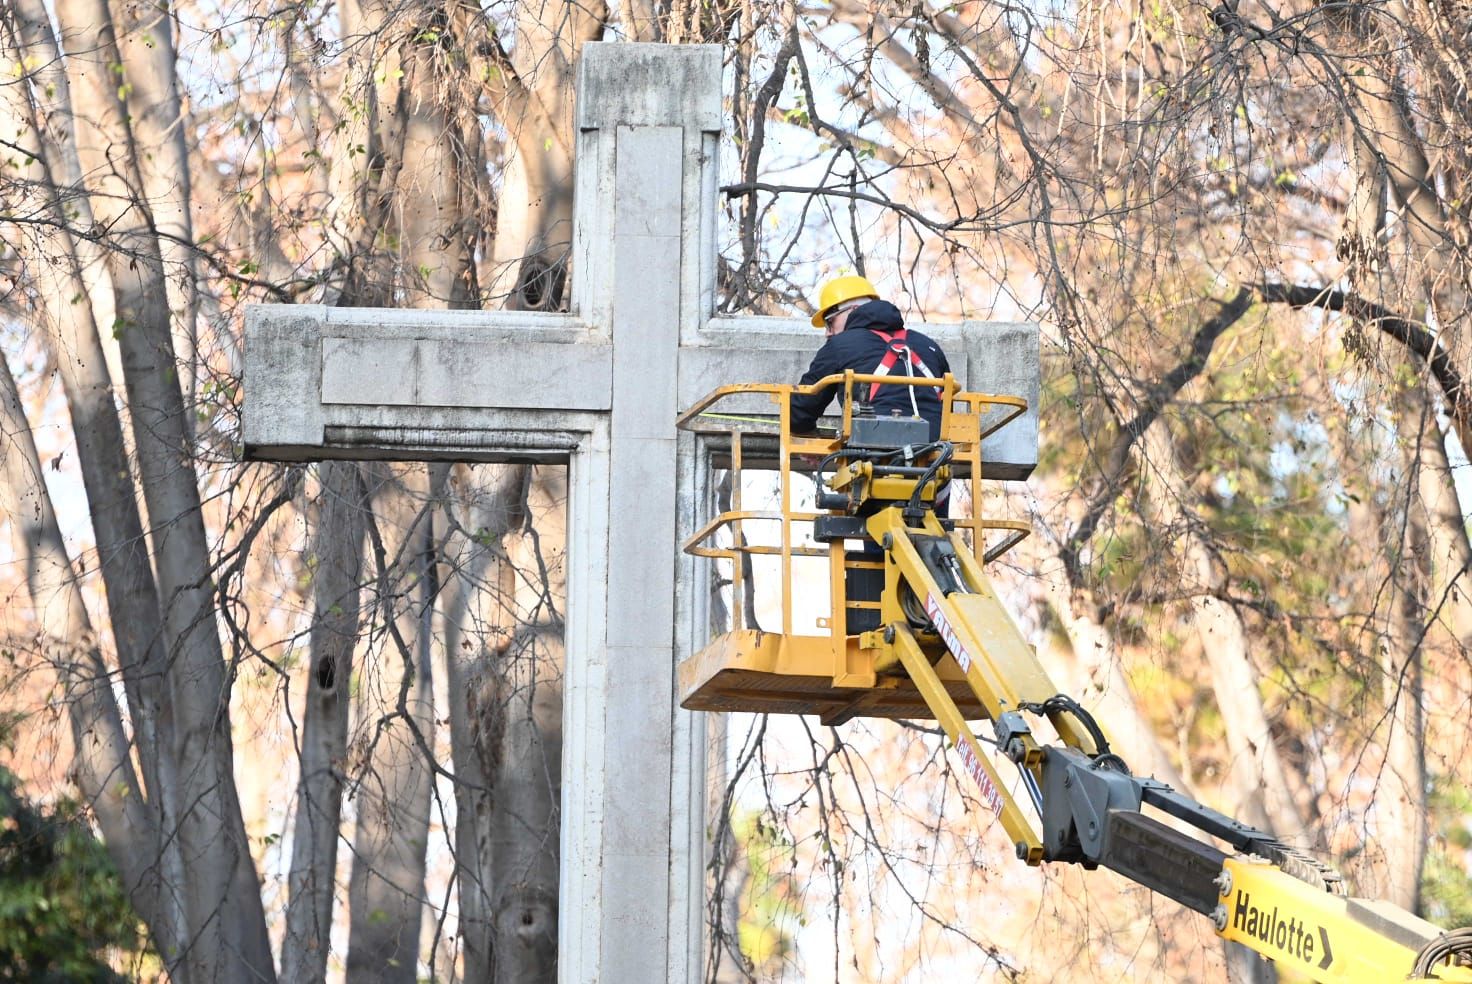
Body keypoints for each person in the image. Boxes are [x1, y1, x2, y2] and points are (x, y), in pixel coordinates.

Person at [791, 275, 952, 441]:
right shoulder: (928, 346)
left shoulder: (839, 345)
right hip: (935, 449)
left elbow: (800, 410)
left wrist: (807, 435)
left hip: (872, 446)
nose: (828, 332)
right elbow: (947, 407)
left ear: (853, 310)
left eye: (829, 322)